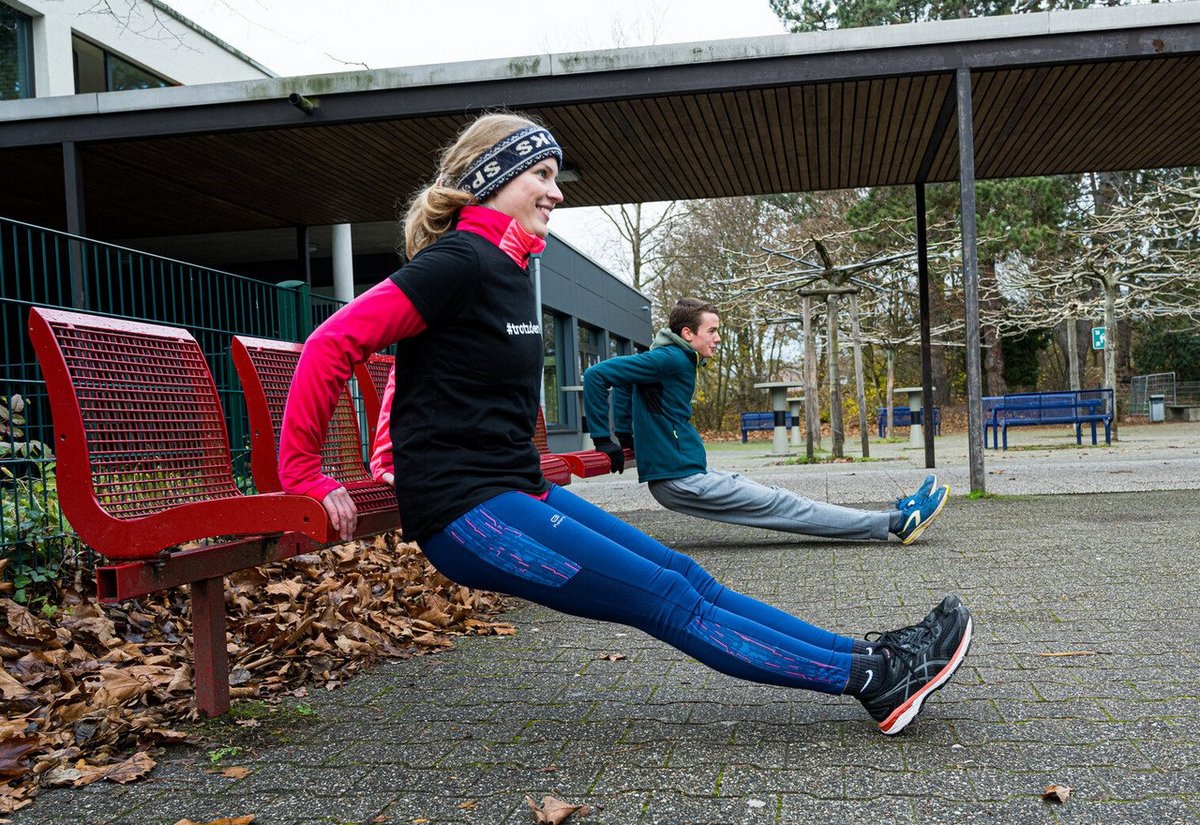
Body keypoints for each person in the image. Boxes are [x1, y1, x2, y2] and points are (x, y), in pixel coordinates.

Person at [279, 111, 972, 736]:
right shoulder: (458, 261)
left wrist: (392, 450)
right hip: (469, 515)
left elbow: (415, 367)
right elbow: (333, 342)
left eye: (556, 177)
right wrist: (304, 474)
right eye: (541, 176)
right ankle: (875, 681)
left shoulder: (510, 267)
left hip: (511, 491)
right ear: (493, 179)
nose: (556, 192)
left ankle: (871, 655)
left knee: (682, 573)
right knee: (668, 598)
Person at [582, 298, 950, 546]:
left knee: (781, 500)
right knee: (787, 507)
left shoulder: (667, 358)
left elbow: (629, 383)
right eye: (712, 331)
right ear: (687, 335)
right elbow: (598, 375)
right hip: (680, 480)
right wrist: (604, 439)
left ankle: (892, 517)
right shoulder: (671, 360)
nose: (719, 337)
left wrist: (627, 434)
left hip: (685, 473)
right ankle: (895, 523)